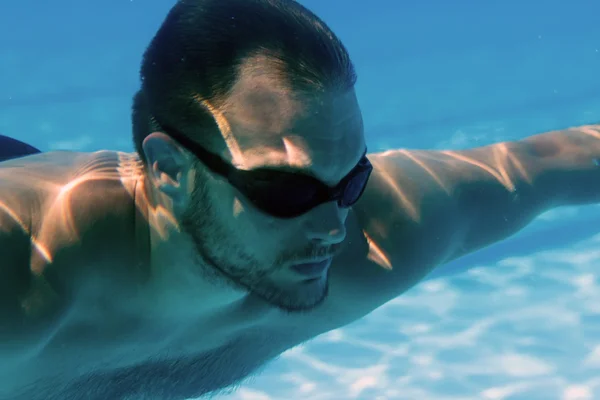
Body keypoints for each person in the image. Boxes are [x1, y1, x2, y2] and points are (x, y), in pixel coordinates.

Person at [1, 0, 599, 399]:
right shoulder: (23, 284)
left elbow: (547, 164)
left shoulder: (379, 239)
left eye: (350, 180)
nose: (333, 225)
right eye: (287, 188)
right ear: (169, 171)